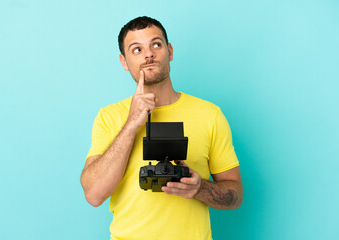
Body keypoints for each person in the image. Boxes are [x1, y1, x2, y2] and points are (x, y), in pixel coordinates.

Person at [80, 16, 243, 240]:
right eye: (136, 49)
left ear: (170, 51)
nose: (148, 54)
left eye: (156, 45)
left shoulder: (209, 115)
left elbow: (235, 194)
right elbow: (94, 194)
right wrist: (132, 123)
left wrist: (198, 188)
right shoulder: (109, 117)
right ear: (124, 61)